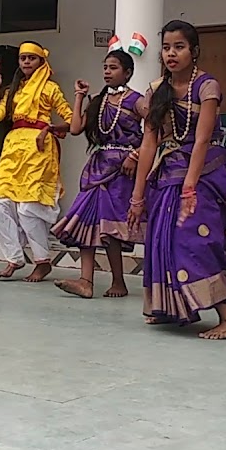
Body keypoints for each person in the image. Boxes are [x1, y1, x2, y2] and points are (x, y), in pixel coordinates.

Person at [128, 20, 226, 340]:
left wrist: (190, 187)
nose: (171, 53)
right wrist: (137, 197)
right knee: (163, 238)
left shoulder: (207, 86)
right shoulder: (155, 90)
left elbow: (203, 139)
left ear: (194, 52)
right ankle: (171, 307)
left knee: (195, 239)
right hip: (168, 173)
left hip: (204, 172)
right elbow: (149, 143)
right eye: (166, 47)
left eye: (178, 47)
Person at [52, 49, 142, 299]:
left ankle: (119, 282)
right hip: (97, 169)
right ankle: (85, 281)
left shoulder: (137, 100)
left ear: (128, 73)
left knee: (110, 229)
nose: (107, 72)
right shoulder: (97, 100)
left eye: (113, 68)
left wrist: (135, 156)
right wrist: (80, 96)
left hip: (122, 171)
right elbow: (76, 128)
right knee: (86, 223)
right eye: (105, 67)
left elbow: (157, 130)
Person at [0, 42, 72, 282]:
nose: (25, 62)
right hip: (13, 148)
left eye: (31, 58)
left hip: (39, 149)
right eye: (23, 58)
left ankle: (42, 261)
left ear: (41, 62)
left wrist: (51, 129)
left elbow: (70, 119)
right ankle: (14, 257)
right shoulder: (12, 90)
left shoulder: (50, 88)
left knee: (28, 208)